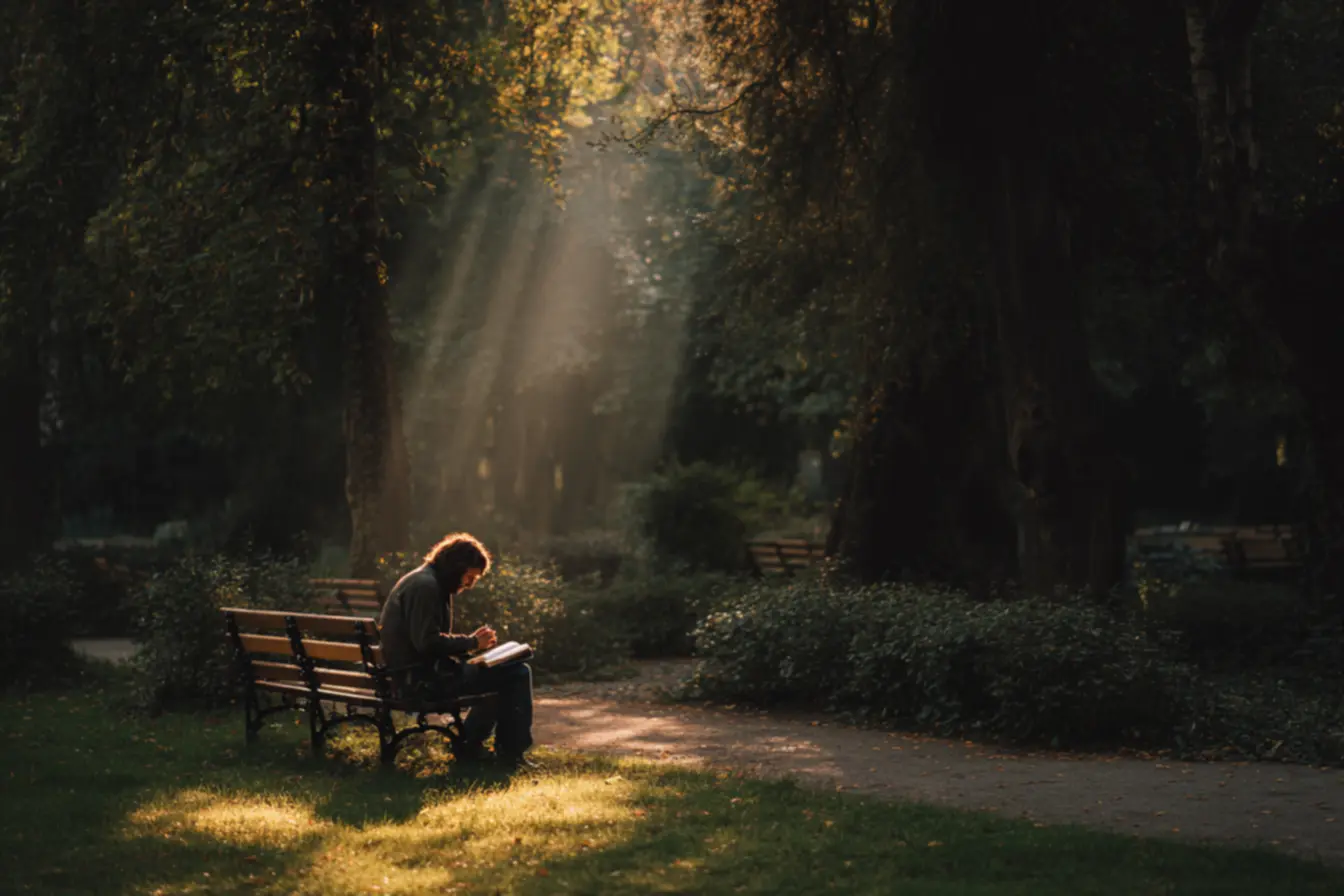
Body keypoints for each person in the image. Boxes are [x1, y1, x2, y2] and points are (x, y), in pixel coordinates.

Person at [378, 532, 535, 768]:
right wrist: (472, 643)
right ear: (456, 567)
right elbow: (426, 642)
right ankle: (508, 753)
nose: (470, 584)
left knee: (502, 671)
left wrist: (473, 649)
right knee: (518, 673)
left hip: (410, 675)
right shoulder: (426, 587)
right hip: (420, 682)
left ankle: (471, 742)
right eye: (469, 576)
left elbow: (424, 642)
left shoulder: (425, 580)